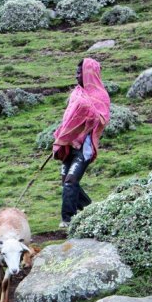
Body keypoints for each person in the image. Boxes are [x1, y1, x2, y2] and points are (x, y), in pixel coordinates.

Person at [52, 58, 110, 228]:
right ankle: (92, 211)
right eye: (76, 73)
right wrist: (62, 136)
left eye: (80, 73)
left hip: (85, 147)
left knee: (70, 181)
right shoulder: (76, 94)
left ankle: (68, 219)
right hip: (70, 144)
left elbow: (101, 120)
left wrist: (87, 109)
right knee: (67, 181)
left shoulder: (101, 96)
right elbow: (68, 119)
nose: (76, 76)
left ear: (88, 74)